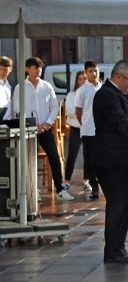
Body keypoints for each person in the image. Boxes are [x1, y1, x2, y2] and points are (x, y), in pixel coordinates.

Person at [91, 60, 128, 264]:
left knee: (123, 204)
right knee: (119, 204)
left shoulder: (121, 94)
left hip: (122, 160)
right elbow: (120, 121)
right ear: (118, 76)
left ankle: (117, 249)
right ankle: (114, 252)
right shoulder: (107, 95)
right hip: (111, 161)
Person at [5, 57, 73, 201]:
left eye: (40, 68)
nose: (38, 71)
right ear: (27, 69)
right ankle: (33, 190)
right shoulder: (20, 88)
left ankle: (60, 189)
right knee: (30, 160)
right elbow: (17, 109)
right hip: (29, 130)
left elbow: (55, 106)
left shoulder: (47, 86)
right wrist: (30, 124)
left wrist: (47, 123)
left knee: (54, 157)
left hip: (45, 129)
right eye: (35, 68)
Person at [75, 60, 102, 199]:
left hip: (102, 130)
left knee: (104, 158)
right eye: (91, 71)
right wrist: (84, 123)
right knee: (90, 160)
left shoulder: (103, 88)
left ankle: (104, 184)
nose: (94, 73)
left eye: (96, 70)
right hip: (88, 130)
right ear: (86, 72)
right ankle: (94, 187)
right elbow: (78, 111)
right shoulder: (81, 91)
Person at [62, 70, 87, 193]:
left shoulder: (90, 93)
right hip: (76, 129)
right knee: (72, 155)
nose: (82, 81)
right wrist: (84, 115)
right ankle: (66, 181)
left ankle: (87, 180)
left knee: (89, 156)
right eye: (80, 79)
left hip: (88, 129)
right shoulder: (71, 95)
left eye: (84, 78)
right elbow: (71, 111)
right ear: (77, 81)